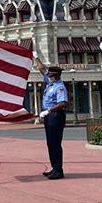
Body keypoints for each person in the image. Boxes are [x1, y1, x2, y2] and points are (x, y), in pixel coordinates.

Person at [33, 51, 68, 180]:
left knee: (55, 143)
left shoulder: (59, 87)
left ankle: (59, 170)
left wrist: (49, 111)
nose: (48, 75)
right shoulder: (51, 82)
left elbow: (63, 103)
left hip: (56, 116)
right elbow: (42, 69)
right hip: (49, 116)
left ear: (56, 75)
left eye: (50, 74)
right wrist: (36, 57)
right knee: (50, 143)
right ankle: (54, 168)